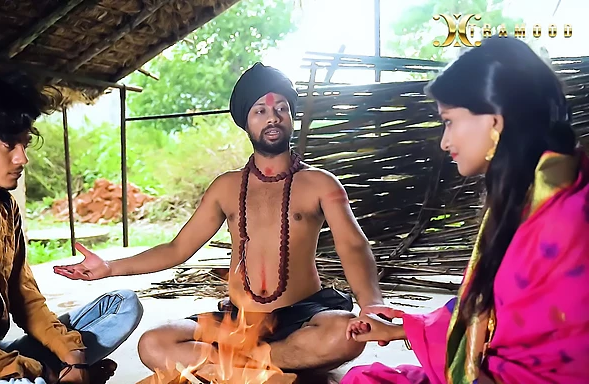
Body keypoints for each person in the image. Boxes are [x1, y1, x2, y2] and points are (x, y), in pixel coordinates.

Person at [54, 62, 383, 373]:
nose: (273, 118)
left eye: (281, 108)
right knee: (154, 344)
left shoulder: (320, 183)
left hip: (302, 315)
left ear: (292, 116)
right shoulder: (226, 187)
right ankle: (272, 366)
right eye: (261, 111)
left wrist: (370, 305)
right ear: (246, 121)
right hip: (237, 321)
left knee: (345, 334)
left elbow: (353, 246)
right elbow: (177, 249)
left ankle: (238, 367)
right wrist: (111, 268)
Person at [341, 37, 589, 384]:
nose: (445, 142)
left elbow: (545, 350)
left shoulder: (565, 222)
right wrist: (405, 329)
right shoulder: (527, 197)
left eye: (449, 121)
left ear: (493, 120)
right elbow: (487, 312)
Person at [0, 71, 143, 384]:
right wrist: (39, 369)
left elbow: (26, 298)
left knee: (121, 304)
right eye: (7, 144)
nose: (22, 158)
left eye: (25, 143)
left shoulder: (6, 209)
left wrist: (73, 357)